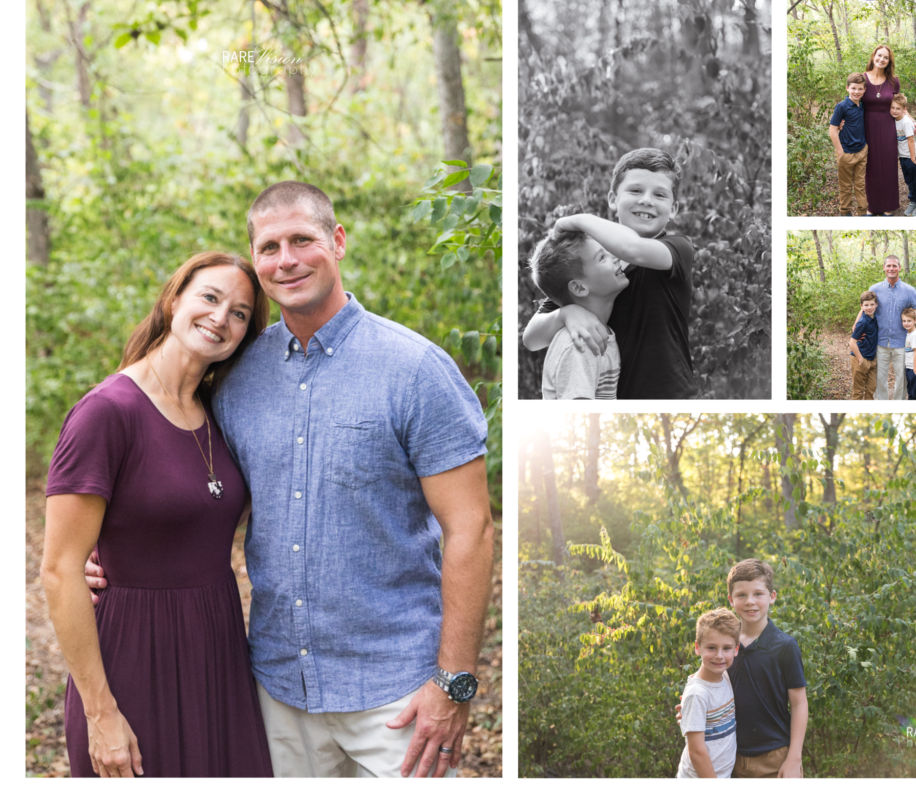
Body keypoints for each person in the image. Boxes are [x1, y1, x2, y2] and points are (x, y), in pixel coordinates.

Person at [87, 181, 494, 778]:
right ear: (256, 260)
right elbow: (183, 481)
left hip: (397, 695)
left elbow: (473, 530)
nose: (287, 259)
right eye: (270, 246)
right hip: (277, 690)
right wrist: (109, 554)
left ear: (338, 241)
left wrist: (453, 683)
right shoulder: (234, 376)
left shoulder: (415, 369)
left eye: (302, 239)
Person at [42, 252, 273, 777]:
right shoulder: (108, 411)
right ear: (174, 301)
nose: (221, 318)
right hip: (132, 654)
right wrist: (101, 713)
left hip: (217, 653)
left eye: (240, 313)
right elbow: (59, 570)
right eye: (210, 298)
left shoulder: (222, 412)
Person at [521, 148, 698, 399]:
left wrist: (580, 220)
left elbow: (633, 249)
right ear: (613, 199)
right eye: (635, 190)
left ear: (674, 208)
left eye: (659, 194)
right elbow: (531, 338)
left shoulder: (678, 249)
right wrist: (566, 312)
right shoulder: (592, 267)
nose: (646, 200)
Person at [727, 560, 807, 778]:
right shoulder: (725, 646)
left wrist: (793, 758)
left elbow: (799, 704)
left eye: (758, 594)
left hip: (776, 759)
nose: (750, 601)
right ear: (731, 600)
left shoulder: (785, 646)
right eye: (741, 595)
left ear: (772, 596)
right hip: (729, 758)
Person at [528, 228, 628, 399]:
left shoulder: (596, 335)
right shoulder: (580, 344)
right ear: (579, 288)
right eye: (602, 258)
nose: (616, 257)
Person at [676, 609, 741, 779]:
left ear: (736, 649)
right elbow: (697, 752)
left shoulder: (725, 676)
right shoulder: (697, 694)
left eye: (726, 648)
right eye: (711, 648)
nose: (719, 656)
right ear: (697, 647)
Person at [852, 254, 916, 400]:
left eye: (894, 266)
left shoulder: (909, 290)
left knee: (901, 379)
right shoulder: (875, 289)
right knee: (879, 378)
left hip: (902, 342)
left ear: (899, 268)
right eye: (888, 266)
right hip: (880, 341)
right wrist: (855, 327)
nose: (891, 268)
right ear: (884, 268)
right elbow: (864, 308)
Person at [862, 44, 902, 215]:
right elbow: (852, 101)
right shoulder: (862, 78)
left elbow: (900, 105)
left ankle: (888, 206)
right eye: (879, 55)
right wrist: (842, 121)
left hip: (887, 126)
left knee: (888, 164)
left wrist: (911, 121)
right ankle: (872, 206)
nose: (881, 59)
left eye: (886, 57)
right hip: (866, 125)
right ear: (873, 56)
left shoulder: (894, 81)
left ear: (889, 61)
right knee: (870, 166)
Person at [829, 73, 869, 216]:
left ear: (864, 90)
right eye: (853, 88)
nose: (856, 92)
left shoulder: (863, 106)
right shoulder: (841, 107)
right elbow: (832, 131)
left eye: (860, 89)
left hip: (862, 151)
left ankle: (862, 213)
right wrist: (840, 152)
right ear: (847, 88)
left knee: (860, 185)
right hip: (846, 152)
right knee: (845, 186)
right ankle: (845, 213)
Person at [892, 93, 916, 217]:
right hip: (904, 157)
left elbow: (910, 140)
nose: (894, 111)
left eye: (898, 108)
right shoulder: (894, 120)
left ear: (904, 110)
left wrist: (913, 158)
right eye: (892, 108)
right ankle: (913, 201)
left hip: (912, 156)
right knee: (909, 180)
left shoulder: (905, 122)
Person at [849, 290, 879, 400]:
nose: (869, 307)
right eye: (866, 305)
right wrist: (860, 359)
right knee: (858, 391)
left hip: (872, 359)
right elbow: (852, 343)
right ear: (862, 306)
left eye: (872, 304)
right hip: (860, 358)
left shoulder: (875, 317)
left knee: (871, 388)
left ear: (876, 304)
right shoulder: (862, 322)